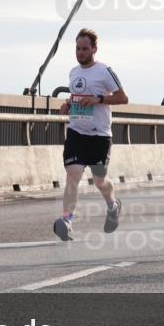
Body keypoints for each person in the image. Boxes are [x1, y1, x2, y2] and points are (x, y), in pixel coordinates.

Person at [53, 29, 128, 241]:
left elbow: (123, 98)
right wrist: (68, 105)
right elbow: (77, 98)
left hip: (99, 136)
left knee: (99, 180)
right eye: (78, 48)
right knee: (73, 174)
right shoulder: (73, 72)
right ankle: (67, 220)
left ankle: (113, 206)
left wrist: (99, 99)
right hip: (77, 132)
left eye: (85, 49)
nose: (81, 52)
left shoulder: (105, 71)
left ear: (94, 49)